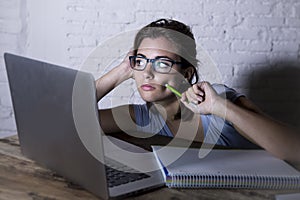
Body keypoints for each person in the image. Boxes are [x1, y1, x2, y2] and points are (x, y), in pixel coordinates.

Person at [95, 18, 300, 165]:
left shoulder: (218, 99)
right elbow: (69, 120)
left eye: (162, 63)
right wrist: (120, 71)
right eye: (140, 62)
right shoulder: (140, 117)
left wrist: (220, 107)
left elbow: (295, 150)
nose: (147, 73)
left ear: (187, 72)